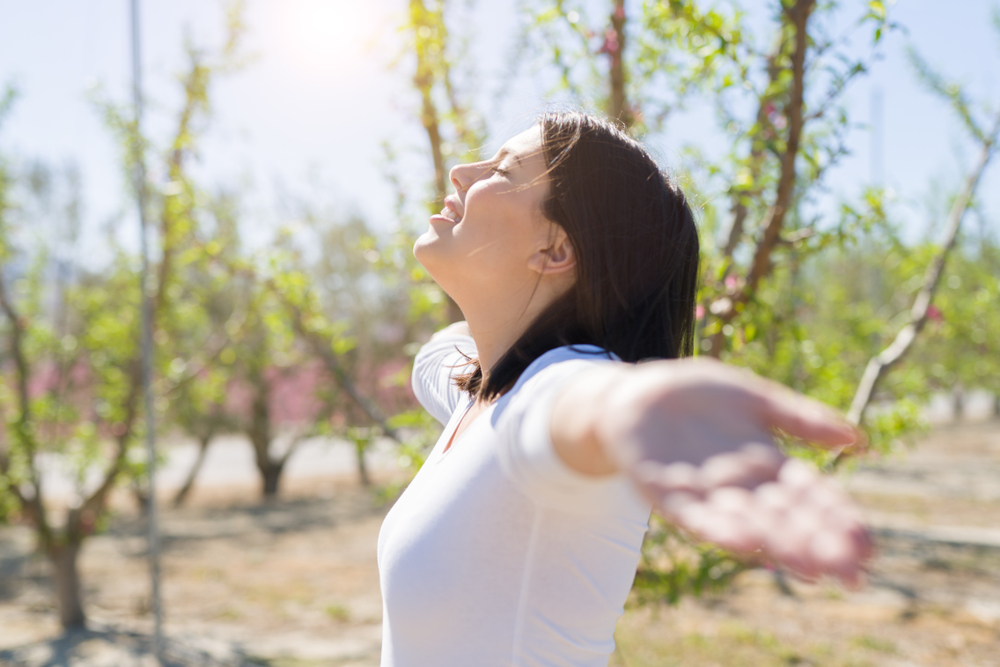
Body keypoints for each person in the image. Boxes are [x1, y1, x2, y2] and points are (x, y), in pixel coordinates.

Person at [376, 112, 870, 667]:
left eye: (505, 170)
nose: (464, 171)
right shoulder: (483, 394)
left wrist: (632, 406)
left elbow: (576, 401)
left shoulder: (557, 387)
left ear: (555, 250)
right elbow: (436, 356)